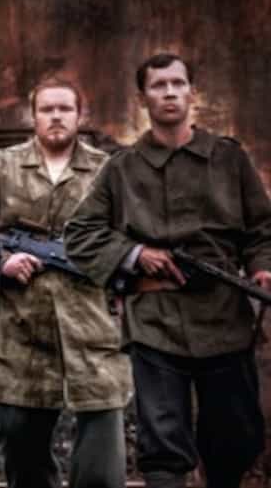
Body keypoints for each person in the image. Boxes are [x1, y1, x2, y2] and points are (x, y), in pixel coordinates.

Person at [66, 53, 271, 488]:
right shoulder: (122, 167)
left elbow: (261, 230)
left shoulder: (229, 159)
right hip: (154, 321)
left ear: (193, 93)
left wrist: (262, 269)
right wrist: (134, 254)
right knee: (162, 446)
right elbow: (81, 234)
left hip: (225, 317)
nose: (170, 92)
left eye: (178, 83)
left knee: (235, 439)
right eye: (159, 86)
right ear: (143, 98)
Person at [0, 78, 129, 488]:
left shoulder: (110, 171)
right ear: (33, 115)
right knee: (23, 456)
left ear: (80, 115)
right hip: (17, 333)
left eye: (64, 109)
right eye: (47, 109)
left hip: (94, 329)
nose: (56, 116)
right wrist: (1, 261)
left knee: (102, 465)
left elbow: (136, 233)